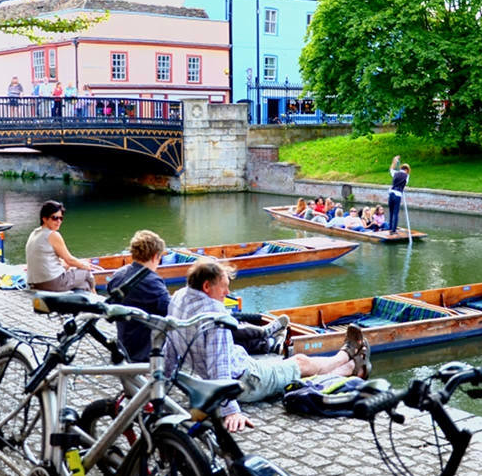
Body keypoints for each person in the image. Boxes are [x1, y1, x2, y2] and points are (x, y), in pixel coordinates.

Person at [164, 261, 371, 432]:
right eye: (224, 286)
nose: (228, 292)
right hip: (247, 381)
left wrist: (162, 383)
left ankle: (351, 368)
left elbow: (170, 345)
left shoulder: (178, 298)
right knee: (301, 362)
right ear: (207, 287)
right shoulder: (215, 316)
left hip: (238, 367)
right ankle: (347, 355)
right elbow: (219, 366)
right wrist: (231, 410)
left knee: (295, 367)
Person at [106, 230, 171, 362]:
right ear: (154, 257)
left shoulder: (118, 275)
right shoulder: (153, 281)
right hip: (146, 350)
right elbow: (170, 310)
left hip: (124, 345)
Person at [25, 200, 95, 292]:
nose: (58, 221)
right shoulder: (53, 235)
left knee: (84, 285)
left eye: (61, 218)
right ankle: (98, 301)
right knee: (86, 273)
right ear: (44, 219)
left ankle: (87, 300)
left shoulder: (34, 233)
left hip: (34, 283)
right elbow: (69, 260)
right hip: (52, 282)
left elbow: (54, 259)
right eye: (54, 218)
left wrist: (78, 264)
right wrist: (86, 266)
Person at [388, 155, 411, 234]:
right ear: (407, 170)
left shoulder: (395, 173)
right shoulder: (407, 176)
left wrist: (394, 161)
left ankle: (390, 228)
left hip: (391, 193)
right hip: (398, 195)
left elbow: (391, 169)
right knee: (395, 213)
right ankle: (393, 230)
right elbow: (405, 184)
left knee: (391, 212)